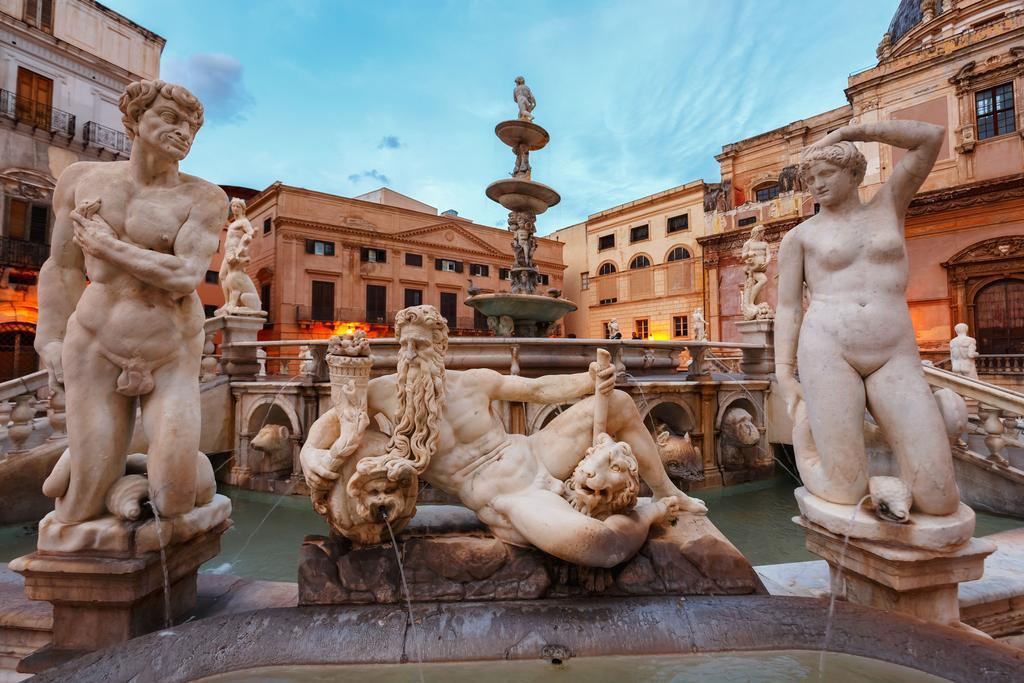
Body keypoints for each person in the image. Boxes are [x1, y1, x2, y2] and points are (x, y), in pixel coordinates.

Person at [302, 305, 705, 568]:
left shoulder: (475, 381)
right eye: (404, 343)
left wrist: (588, 380)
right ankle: (651, 512)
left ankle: (670, 490)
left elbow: (537, 390)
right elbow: (328, 428)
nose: (410, 352)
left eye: (420, 344)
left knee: (616, 402)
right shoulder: (384, 393)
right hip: (506, 496)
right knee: (596, 547)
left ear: (440, 346)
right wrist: (310, 458)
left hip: (535, 452)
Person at [35, 80, 227, 523]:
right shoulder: (81, 180)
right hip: (94, 342)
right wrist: (49, 338)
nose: (184, 133)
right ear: (135, 120)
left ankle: (140, 470)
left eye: (193, 128)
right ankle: (93, 465)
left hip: (171, 347)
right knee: (78, 509)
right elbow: (61, 267)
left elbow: (184, 276)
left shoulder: (204, 197)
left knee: (175, 499)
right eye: (171, 119)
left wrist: (109, 247)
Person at [775, 120, 960, 515]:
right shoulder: (800, 238)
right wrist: (784, 373)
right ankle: (810, 444)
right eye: (810, 179)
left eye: (826, 174)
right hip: (828, 349)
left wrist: (847, 133)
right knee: (844, 490)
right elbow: (788, 307)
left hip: (893, 351)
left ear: (855, 173)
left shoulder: (890, 205)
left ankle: (888, 479)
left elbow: (931, 137)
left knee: (940, 497)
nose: (817, 185)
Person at [217, 198, 263, 315]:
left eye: (238, 206)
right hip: (228, 252)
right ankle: (227, 302)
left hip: (235, 252)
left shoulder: (244, 221)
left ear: (242, 209)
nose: (235, 208)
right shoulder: (232, 223)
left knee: (233, 277)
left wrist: (253, 233)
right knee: (222, 275)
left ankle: (232, 303)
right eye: (233, 206)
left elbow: (250, 233)